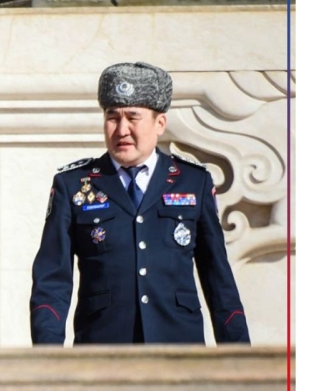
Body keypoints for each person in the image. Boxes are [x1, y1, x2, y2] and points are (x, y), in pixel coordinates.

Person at [30, 62, 250, 345]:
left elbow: (218, 277)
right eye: (112, 117)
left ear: (160, 123)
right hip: (102, 350)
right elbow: (52, 280)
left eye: (133, 117)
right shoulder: (73, 185)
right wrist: (47, 358)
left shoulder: (193, 182)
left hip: (179, 351)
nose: (121, 129)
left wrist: (238, 355)